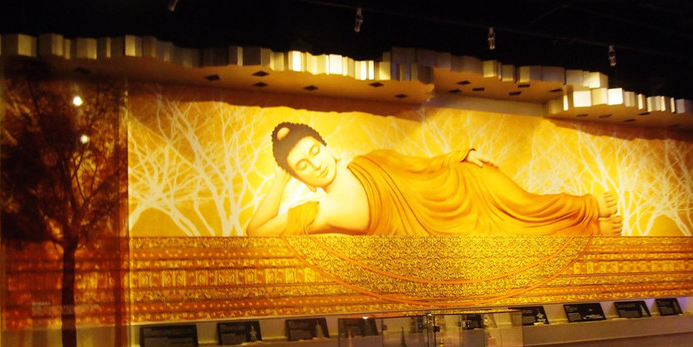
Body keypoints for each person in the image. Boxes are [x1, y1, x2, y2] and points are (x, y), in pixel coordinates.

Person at [246, 122, 622, 237]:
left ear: (327, 148)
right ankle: (590, 230)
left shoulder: (369, 161)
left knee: (526, 205)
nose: (314, 164)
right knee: (515, 236)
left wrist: (460, 156)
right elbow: (256, 231)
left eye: (314, 151)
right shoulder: (322, 212)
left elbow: (422, 165)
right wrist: (279, 179)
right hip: (446, 233)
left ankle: (586, 205)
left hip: (458, 185)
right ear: (300, 178)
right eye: (302, 166)